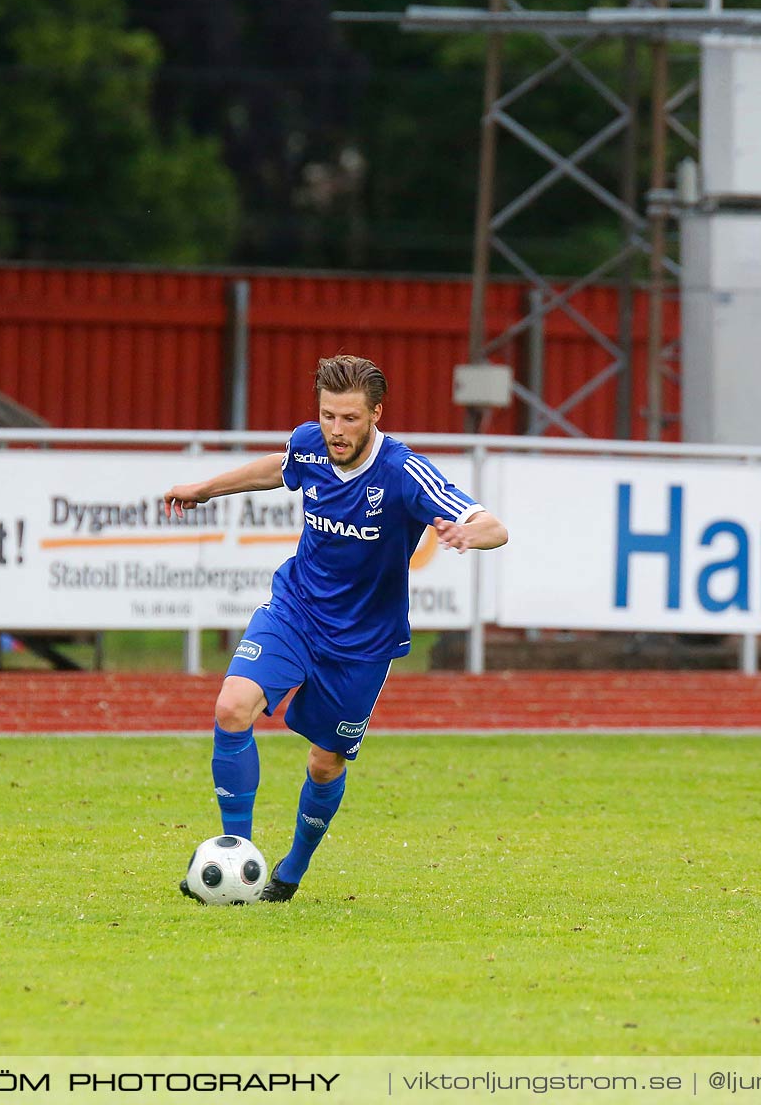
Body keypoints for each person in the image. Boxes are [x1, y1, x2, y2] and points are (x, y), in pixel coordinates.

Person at [164, 354, 509, 901]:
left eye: (349, 418)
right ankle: (240, 863)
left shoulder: (401, 472)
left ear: (376, 413)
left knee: (325, 765)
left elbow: (490, 524)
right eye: (328, 416)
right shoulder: (309, 443)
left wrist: (471, 535)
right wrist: (205, 488)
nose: (335, 430)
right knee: (232, 707)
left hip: (362, 644)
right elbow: (278, 469)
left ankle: (291, 871)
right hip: (295, 610)